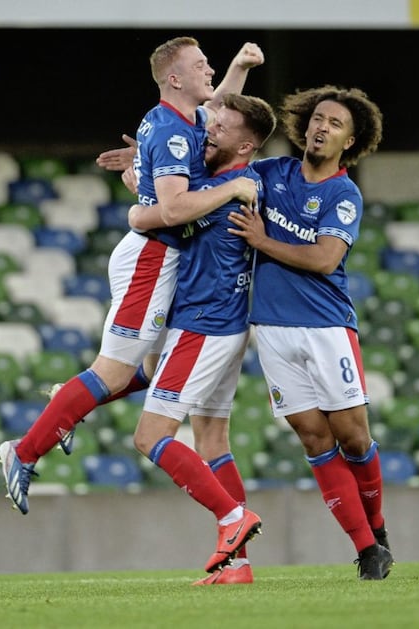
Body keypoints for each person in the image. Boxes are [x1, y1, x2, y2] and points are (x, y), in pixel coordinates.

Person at [0, 36, 264, 518]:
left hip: (160, 255)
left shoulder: (181, 121)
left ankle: (68, 403)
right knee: (115, 372)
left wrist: (240, 66)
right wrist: (226, 190)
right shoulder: (175, 132)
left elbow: (221, 110)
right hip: (151, 259)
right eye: (201, 65)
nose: (209, 71)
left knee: (147, 369)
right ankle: (25, 451)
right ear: (174, 78)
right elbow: (175, 207)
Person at [226, 85, 393, 580]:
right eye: (318, 118)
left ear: (350, 140)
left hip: (326, 329)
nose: (322, 127)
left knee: (353, 438)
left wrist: (261, 240)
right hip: (273, 330)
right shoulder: (271, 173)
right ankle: (367, 550)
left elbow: (324, 259)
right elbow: (216, 176)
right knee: (313, 438)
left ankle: (378, 526)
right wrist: (149, 166)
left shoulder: (343, 193)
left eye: (335, 123)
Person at [126, 92, 277, 584]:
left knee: (150, 437)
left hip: (204, 325)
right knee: (212, 440)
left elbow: (162, 217)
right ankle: (240, 566)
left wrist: (140, 195)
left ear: (246, 146)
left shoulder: (233, 190)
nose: (210, 130)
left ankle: (235, 518)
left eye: (222, 127)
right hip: (224, 324)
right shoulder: (231, 184)